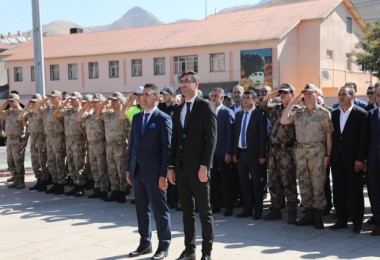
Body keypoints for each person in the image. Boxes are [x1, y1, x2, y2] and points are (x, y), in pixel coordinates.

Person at [167, 70, 216, 260]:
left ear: (196, 85)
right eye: (182, 81)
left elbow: (211, 139)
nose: (183, 84)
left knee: (205, 211)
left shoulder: (205, 107)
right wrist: (171, 167)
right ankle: (189, 250)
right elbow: (175, 140)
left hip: (199, 169)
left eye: (187, 81)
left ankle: (206, 252)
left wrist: (205, 165)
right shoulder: (179, 110)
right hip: (181, 169)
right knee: (187, 212)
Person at [126, 84, 172, 260]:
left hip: (155, 174)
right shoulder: (137, 118)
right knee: (141, 209)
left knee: (160, 210)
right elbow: (132, 146)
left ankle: (163, 245)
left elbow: (167, 149)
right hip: (137, 172)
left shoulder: (163, 119)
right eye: (141, 95)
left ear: (156, 98)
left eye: (147, 95)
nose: (142, 98)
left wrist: (163, 175)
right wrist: (128, 169)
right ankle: (145, 243)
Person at [280, 83, 333, 229]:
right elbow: (283, 120)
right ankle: (308, 214)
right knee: (303, 185)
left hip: (317, 152)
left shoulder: (323, 113)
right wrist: (293, 101)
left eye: (310, 93)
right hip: (301, 153)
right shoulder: (298, 112)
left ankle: (318, 216)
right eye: (305, 93)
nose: (308, 96)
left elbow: (329, 136)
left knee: (318, 184)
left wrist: (328, 155)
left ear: (317, 95)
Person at [329, 85, 368, 233]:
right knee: (338, 191)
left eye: (344, 94)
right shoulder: (334, 114)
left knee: (355, 192)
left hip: (354, 161)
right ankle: (341, 220)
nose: (341, 96)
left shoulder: (361, 114)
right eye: (339, 94)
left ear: (353, 96)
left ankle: (357, 222)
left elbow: (363, 139)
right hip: (337, 160)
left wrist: (360, 159)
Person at [261, 83, 298, 224]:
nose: (282, 95)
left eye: (286, 92)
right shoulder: (275, 108)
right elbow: (262, 105)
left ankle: (292, 210)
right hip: (273, 149)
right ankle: (275, 209)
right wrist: (272, 94)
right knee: (273, 179)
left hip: (287, 150)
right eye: (281, 93)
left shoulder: (297, 110)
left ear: (292, 94)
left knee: (288, 180)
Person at [232, 90, 267, 219]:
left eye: (248, 98)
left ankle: (257, 211)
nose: (245, 100)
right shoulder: (239, 115)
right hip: (241, 154)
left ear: (255, 100)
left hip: (255, 154)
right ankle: (247, 209)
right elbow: (236, 135)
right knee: (244, 183)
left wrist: (262, 155)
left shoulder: (259, 114)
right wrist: (235, 152)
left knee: (256, 184)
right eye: (244, 97)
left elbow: (263, 136)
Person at [96, 92, 130, 203]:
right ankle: (115, 190)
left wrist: (127, 145)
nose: (113, 102)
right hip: (109, 145)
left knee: (121, 169)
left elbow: (129, 131)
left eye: (115, 100)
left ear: (120, 101)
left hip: (120, 145)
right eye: (112, 100)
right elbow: (97, 113)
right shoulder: (108, 114)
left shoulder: (123, 114)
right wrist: (105, 102)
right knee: (111, 170)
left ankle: (123, 191)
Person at [34, 90, 66, 195]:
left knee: (59, 161)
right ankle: (55, 182)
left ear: (59, 98)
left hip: (58, 138)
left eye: (54, 97)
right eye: (51, 97)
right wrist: (45, 100)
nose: (52, 99)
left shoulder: (63, 109)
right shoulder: (48, 110)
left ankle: (61, 184)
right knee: (51, 162)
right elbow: (36, 109)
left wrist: (63, 140)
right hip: (48, 138)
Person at [209, 87, 235, 216]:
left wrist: (228, 152)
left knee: (226, 180)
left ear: (222, 98)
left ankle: (229, 206)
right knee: (213, 180)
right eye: (212, 96)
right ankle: (216, 205)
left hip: (223, 152)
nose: (213, 98)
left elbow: (231, 135)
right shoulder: (208, 112)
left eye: (216, 96)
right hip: (211, 154)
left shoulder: (227, 112)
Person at [77, 93, 108, 199]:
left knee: (102, 167)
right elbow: (78, 118)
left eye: (96, 101)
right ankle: (97, 188)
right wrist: (86, 106)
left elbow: (100, 114)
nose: (94, 103)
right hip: (91, 145)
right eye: (93, 101)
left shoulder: (104, 114)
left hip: (100, 144)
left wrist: (101, 106)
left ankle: (104, 189)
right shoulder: (89, 115)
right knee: (94, 168)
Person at [18, 93, 49, 191]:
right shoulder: (30, 113)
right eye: (32, 102)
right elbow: (20, 118)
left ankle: (44, 182)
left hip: (41, 137)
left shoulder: (43, 112)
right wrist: (26, 106)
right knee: (35, 161)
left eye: (35, 102)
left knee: (42, 160)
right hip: (33, 138)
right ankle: (38, 180)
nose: (33, 103)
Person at [0, 93, 26, 189]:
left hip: (18, 140)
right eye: (9, 101)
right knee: (10, 161)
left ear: (18, 101)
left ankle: (21, 181)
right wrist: (4, 104)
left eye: (12, 101)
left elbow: (27, 127)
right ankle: (15, 179)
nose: (10, 103)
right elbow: (0, 112)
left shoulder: (22, 112)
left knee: (18, 161)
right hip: (9, 140)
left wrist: (25, 139)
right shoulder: (9, 112)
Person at [367, 84, 380, 236]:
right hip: (372, 160)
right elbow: (366, 138)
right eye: (378, 95)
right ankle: (378, 222)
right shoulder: (371, 114)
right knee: (374, 192)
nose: (379, 98)